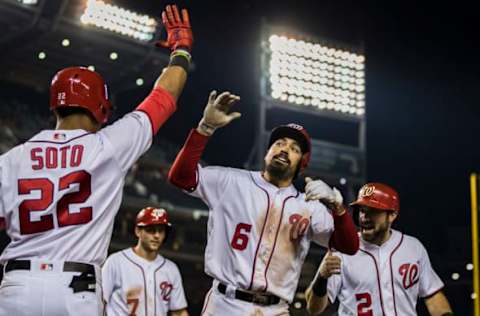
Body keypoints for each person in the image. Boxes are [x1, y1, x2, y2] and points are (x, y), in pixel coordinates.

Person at [0, 5, 193, 316]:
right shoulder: (109, 146)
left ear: (54, 108)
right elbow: (163, 98)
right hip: (76, 286)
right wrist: (181, 51)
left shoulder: (11, 160)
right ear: (101, 108)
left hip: (19, 284)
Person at [167, 91, 359, 315]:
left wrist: (338, 208)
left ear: (302, 165)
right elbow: (180, 177)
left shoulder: (310, 207)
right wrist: (205, 128)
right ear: (268, 152)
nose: (284, 149)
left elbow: (349, 247)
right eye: (279, 143)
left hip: (275, 309)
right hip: (225, 304)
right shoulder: (232, 181)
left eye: (294, 149)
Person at [305, 182, 453, 316]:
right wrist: (322, 278)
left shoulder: (413, 247)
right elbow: (313, 309)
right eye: (362, 210)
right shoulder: (342, 249)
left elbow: (433, 296)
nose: (364, 217)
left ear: (392, 215)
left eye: (373, 211)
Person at [102, 207, 188, 316]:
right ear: (138, 231)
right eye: (151, 230)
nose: (157, 235)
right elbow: (99, 301)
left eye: (161, 231)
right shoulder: (115, 262)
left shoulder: (171, 269)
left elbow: (178, 312)